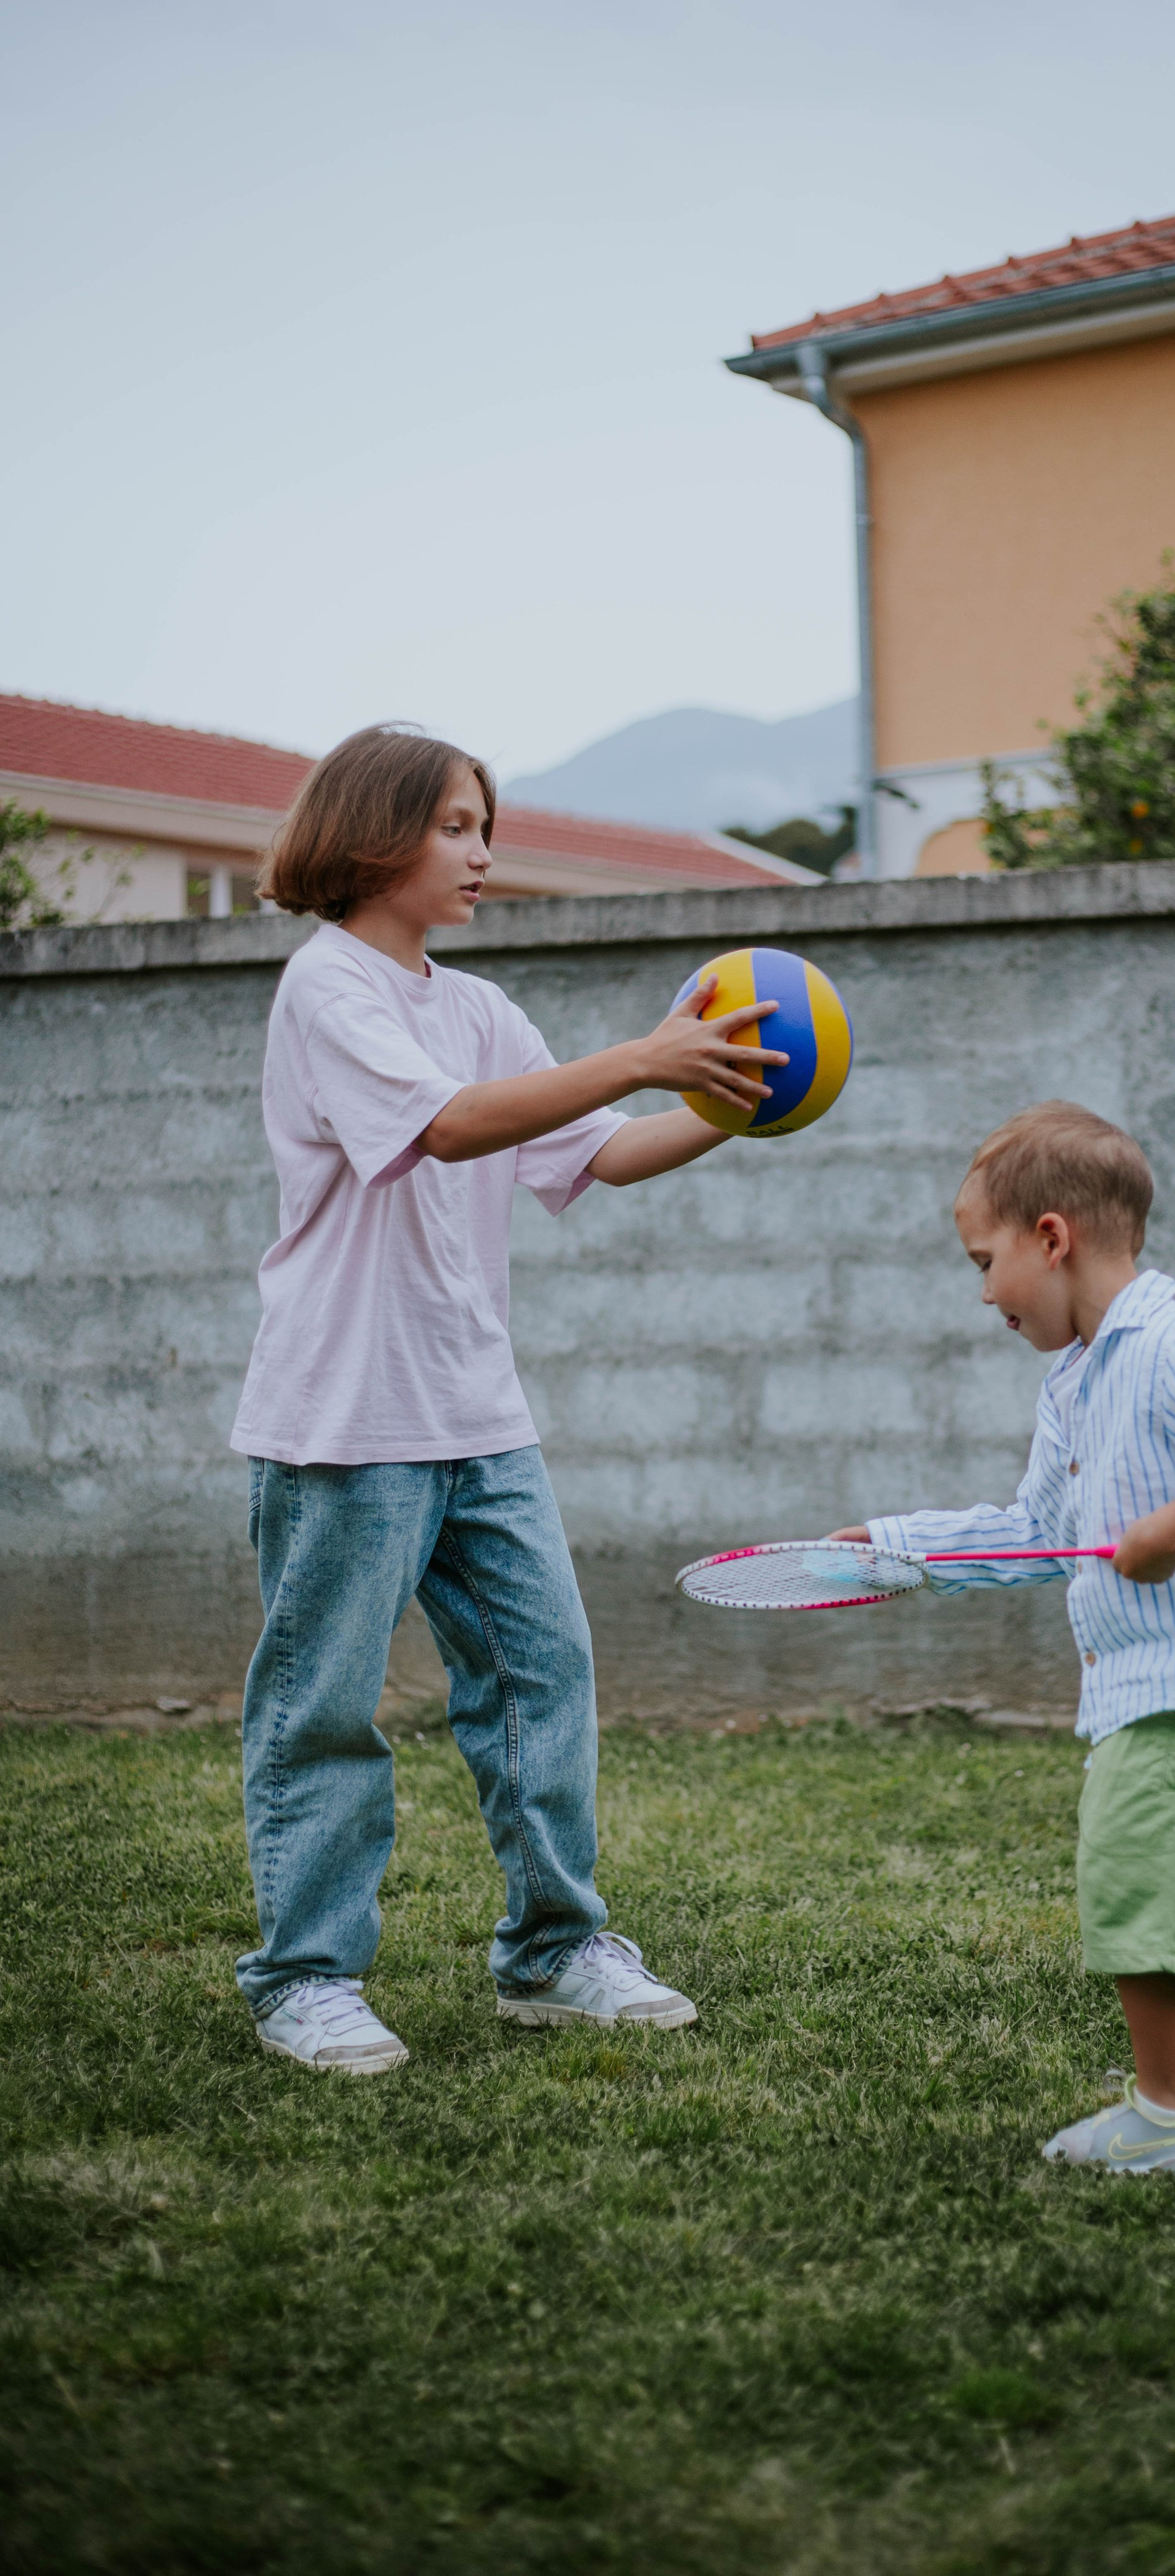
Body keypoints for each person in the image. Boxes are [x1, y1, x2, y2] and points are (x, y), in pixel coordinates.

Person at [228, 723, 789, 2076]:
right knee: (326, 1706)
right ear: (374, 835)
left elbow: (592, 1151)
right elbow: (446, 1128)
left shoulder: (479, 1011)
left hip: (479, 1417)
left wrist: (732, 1099)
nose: (483, 853)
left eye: (487, 827)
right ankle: (304, 1977)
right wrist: (645, 1053)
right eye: (456, 827)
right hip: (345, 1421)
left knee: (542, 1678)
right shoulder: (329, 988)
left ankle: (551, 1950)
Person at [831, 1101, 1175, 2178]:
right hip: (1168, 1682)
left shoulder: (1172, 1347)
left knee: (1138, 1883)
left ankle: (1161, 2115)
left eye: (984, 1260)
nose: (982, 1293)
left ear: (1051, 1237)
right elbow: (1040, 1535)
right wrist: (899, 1546)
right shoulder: (1077, 1379)